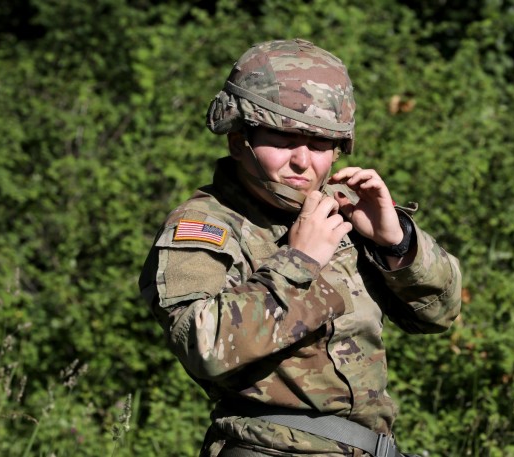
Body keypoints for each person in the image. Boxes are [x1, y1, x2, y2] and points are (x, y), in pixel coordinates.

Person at [139, 38, 462, 457]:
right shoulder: (206, 226)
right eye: (283, 138)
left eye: (320, 143)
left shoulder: (340, 213)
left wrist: (395, 241)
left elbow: (440, 314)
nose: (302, 161)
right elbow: (202, 345)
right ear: (239, 139)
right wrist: (299, 261)